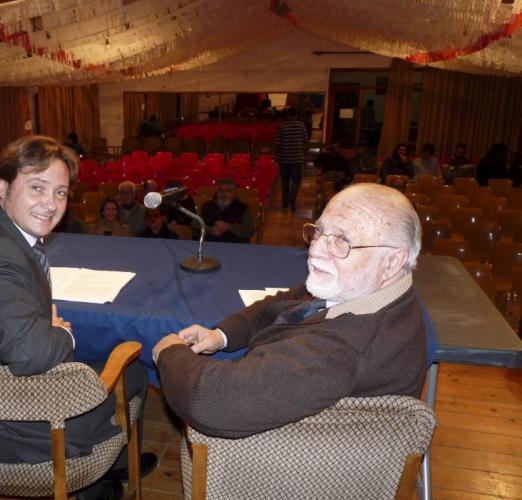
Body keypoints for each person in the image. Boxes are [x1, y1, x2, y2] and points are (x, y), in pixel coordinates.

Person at [0, 136, 153, 500]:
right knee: (134, 372)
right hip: (7, 423)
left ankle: (112, 471)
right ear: (3, 187)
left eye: (60, 192)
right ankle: (97, 486)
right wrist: (62, 332)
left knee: (101, 365)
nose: (51, 204)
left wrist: (43, 328)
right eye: (37, 187)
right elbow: (29, 355)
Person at [152, 183, 428, 438]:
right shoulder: (377, 290)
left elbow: (210, 401)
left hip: (282, 459)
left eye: (342, 240)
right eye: (319, 231)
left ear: (392, 261)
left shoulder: (341, 349)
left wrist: (169, 352)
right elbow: (287, 301)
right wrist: (221, 335)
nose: (315, 250)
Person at [273, 107, 309, 212]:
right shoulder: (301, 126)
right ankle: (292, 202)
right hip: (297, 159)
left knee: (285, 182)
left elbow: (278, 144)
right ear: (296, 115)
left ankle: (285, 203)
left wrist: (276, 156)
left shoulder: (282, 127)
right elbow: (306, 141)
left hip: (284, 159)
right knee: (296, 181)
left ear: (288, 115)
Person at [199, 177, 255, 244]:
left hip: (235, 244)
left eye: (228, 190)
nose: (223, 193)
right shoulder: (206, 206)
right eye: (220, 189)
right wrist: (210, 230)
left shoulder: (243, 208)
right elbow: (196, 224)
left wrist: (228, 226)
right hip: (209, 243)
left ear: (234, 193)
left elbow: (249, 231)